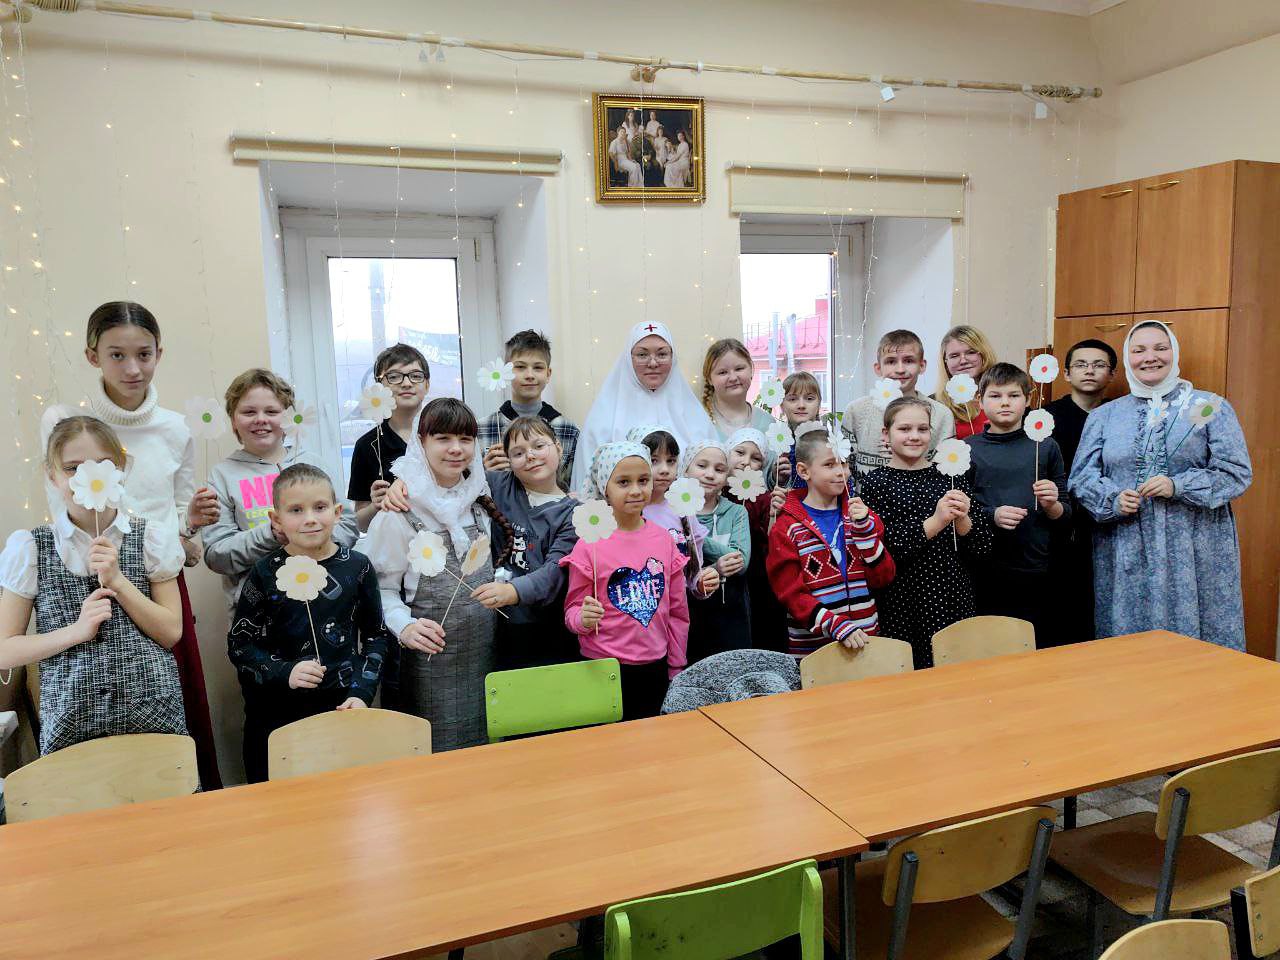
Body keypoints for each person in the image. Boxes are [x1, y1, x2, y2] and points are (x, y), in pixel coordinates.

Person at [39, 301, 222, 788]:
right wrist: (97, 570)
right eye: (116, 355)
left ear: (159, 352)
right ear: (92, 356)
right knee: (91, 711)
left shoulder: (175, 427)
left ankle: (187, 803)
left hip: (158, 581)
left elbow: (177, 519)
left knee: (172, 703)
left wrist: (190, 524)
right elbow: (60, 509)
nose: (133, 368)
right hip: (88, 579)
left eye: (144, 354)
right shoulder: (67, 422)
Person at [0, 417, 187, 755]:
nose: (87, 476)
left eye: (103, 464)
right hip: (71, 723)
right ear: (52, 475)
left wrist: (118, 582)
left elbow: (171, 631)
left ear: (120, 468)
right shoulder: (32, 547)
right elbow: (5, 649)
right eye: (73, 468)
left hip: (153, 715)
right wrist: (76, 631)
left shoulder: (151, 538)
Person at [1069, 320, 1252, 650]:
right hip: (1125, 545)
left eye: (1160, 348)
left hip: (1195, 546)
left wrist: (1179, 485)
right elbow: (1081, 478)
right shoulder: (1104, 416)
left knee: (1198, 643)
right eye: (1139, 350)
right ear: (1128, 359)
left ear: (1174, 353)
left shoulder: (1209, 407)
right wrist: (1112, 499)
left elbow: (1235, 472)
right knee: (1129, 641)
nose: (1149, 357)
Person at [364, 398, 513, 751]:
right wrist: (405, 626)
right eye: (443, 438)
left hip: (485, 659)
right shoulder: (398, 512)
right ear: (421, 443)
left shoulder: (479, 500)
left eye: (465, 439)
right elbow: (379, 589)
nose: (456, 449)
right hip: (428, 667)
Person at [228, 464, 391, 783]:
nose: (310, 519)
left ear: (337, 512)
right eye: (296, 510)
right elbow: (240, 645)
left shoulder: (357, 567)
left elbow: (376, 637)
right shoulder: (264, 573)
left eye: (319, 507)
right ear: (276, 520)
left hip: (341, 708)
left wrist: (362, 692)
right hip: (276, 716)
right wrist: (284, 671)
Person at [203, 368, 359, 616]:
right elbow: (216, 556)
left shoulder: (314, 464)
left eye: (272, 412)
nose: (260, 419)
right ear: (233, 420)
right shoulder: (222, 476)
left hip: (325, 603)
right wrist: (270, 535)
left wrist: (317, 542)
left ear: (288, 418)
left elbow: (347, 524)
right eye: (249, 412)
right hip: (260, 613)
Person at [560, 442, 689, 719]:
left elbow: (678, 611)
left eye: (643, 480)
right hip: (601, 668)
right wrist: (582, 619)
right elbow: (572, 610)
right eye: (623, 482)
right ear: (605, 487)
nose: (636, 490)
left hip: (655, 667)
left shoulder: (664, 540)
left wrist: (676, 665)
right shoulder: (589, 543)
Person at [861, 397, 992, 668]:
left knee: (955, 671)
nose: (914, 436)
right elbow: (885, 548)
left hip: (952, 597)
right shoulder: (876, 483)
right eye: (904, 429)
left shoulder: (950, 477)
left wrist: (963, 519)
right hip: (902, 602)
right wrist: (937, 521)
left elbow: (982, 547)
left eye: (922, 429)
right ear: (886, 434)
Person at [965, 363, 1071, 647]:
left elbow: (1065, 514)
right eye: (995, 396)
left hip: (1035, 565)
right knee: (990, 644)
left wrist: (1052, 504)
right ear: (980, 401)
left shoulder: (1045, 446)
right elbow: (959, 510)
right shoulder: (967, 449)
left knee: (1035, 643)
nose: (1005, 403)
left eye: (1013, 395)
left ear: (1027, 399)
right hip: (984, 566)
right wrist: (992, 515)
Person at [767, 426, 895, 658]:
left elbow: (883, 577)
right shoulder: (786, 528)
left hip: (866, 641)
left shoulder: (862, 517)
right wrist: (835, 625)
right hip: (815, 651)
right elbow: (790, 594)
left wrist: (865, 532)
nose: (840, 472)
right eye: (829, 465)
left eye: (844, 463)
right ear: (804, 471)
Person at [470, 417, 580, 670]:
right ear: (508, 460)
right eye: (518, 453)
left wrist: (513, 591)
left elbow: (555, 571)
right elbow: (452, 477)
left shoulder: (574, 513)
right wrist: (402, 483)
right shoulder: (498, 485)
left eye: (539, 446)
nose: (530, 456)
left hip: (548, 628)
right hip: (497, 625)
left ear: (558, 448)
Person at [571, 320, 714, 494]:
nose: (653, 363)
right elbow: (589, 482)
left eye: (662, 354)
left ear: (672, 357)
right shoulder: (602, 418)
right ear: (628, 358)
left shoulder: (695, 417)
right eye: (642, 354)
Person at [1045, 339, 1117, 644]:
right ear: (1066, 373)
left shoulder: (1119, 415)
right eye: (1081, 365)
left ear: (1112, 374)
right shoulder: (1045, 418)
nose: (1089, 371)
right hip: (1060, 524)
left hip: (1109, 520)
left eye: (1099, 365)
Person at [842, 329, 955, 483]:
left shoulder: (941, 415)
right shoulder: (856, 411)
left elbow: (945, 472)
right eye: (891, 362)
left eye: (909, 361)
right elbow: (846, 469)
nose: (900, 369)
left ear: (922, 365)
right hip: (865, 498)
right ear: (878, 368)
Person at [478, 329, 580, 492]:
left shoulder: (568, 430)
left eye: (538, 367)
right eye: (520, 367)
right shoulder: (481, 429)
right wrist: (483, 473)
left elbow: (574, 488)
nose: (529, 375)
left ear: (548, 374)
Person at [682, 439, 752, 665]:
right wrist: (717, 566)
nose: (710, 474)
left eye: (719, 469)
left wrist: (694, 534)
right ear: (686, 469)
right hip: (691, 613)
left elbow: (740, 560)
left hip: (731, 614)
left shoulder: (736, 512)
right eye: (702, 466)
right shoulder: (676, 513)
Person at [631, 427, 721, 601]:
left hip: (679, 606)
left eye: (671, 461)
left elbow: (693, 573)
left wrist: (701, 583)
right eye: (654, 460)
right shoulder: (628, 510)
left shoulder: (682, 507)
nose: (665, 469)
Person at [348, 343, 430, 533]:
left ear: (427, 384)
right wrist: (375, 505)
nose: (406, 383)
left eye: (416, 376)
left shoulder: (444, 435)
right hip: (392, 545)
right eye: (394, 377)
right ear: (379, 386)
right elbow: (361, 524)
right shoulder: (368, 446)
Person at [726, 427, 788, 653]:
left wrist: (773, 516)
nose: (746, 462)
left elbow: (773, 543)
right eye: (739, 453)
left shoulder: (764, 499)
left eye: (756, 459)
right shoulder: (717, 493)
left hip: (759, 581)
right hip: (727, 581)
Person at [699, 338, 777, 441]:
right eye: (723, 372)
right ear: (709, 379)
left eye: (739, 369)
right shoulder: (698, 421)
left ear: (751, 370)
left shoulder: (768, 423)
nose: (733, 378)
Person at [936, 325, 998, 439]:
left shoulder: (1004, 396)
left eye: (970, 352)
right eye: (954, 356)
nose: (963, 361)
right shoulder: (935, 405)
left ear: (984, 354)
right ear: (946, 362)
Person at [774, 370, 824, 491]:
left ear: (819, 404)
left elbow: (844, 488)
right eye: (792, 399)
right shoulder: (775, 445)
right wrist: (778, 479)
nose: (801, 405)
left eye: (809, 398)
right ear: (782, 406)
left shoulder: (830, 444)